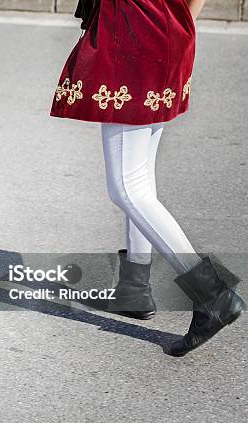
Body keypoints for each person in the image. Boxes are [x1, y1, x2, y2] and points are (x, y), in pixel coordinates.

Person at [50, 0, 245, 356]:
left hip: (134, 39)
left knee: (125, 186)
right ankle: (134, 287)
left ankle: (213, 295)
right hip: (168, 31)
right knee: (138, 176)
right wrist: (176, 25)